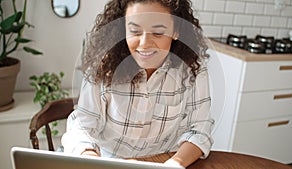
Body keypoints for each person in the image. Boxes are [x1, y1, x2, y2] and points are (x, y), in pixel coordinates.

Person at [62, 0, 214, 167]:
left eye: (157, 33)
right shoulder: (102, 69)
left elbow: (199, 128)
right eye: (134, 31)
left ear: (175, 31)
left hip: (164, 162)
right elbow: (82, 126)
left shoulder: (192, 70)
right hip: (108, 161)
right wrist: (91, 158)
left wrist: (175, 163)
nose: (144, 44)